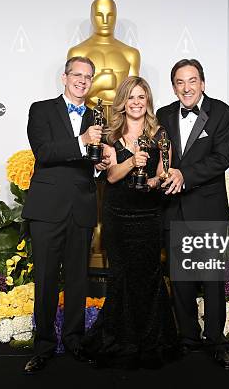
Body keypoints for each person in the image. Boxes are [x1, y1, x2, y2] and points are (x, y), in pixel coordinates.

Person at [83, 76, 178, 368]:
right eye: (131, 97)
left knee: (148, 275)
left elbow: (163, 173)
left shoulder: (160, 133)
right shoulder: (110, 136)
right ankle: (118, 340)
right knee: (121, 275)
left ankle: (151, 341)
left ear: (147, 101)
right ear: (122, 101)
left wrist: (150, 182)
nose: (136, 103)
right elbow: (110, 177)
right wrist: (131, 162)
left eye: (142, 97)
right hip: (117, 216)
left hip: (149, 215)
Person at [21, 56, 109, 374]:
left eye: (88, 77)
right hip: (47, 209)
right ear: (65, 76)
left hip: (82, 207)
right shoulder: (41, 109)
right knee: (45, 278)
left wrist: (99, 165)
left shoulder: (98, 116)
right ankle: (43, 344)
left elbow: (96, 161)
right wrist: (82, 142)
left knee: (77, 280)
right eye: (77, 75)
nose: (82, 81)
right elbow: (44, 152)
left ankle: (74, 340)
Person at [156, 59, 229, 369]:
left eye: (192, 81)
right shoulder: (162, 115)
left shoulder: (222, 113)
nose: (186, 87)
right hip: (173, 208)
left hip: (207, 208)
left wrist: (182, 175)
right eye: (179, 82)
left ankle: (215, 341)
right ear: (173, 86)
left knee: (212, 279)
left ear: (202, 83)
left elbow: (221, 159)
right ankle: (188, 337)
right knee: (181, 280)